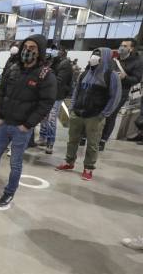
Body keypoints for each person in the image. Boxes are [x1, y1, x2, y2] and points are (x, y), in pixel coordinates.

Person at [0, 34, 56, 207]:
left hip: (22, 127)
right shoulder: (14, 68)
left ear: (40, 52)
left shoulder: (45, 75)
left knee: (15, 163)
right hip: (4, 123)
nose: (27, 51)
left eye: (32, 48)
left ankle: (9, 192)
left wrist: (27, 125)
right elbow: (1, 93)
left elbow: (45, 104)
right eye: (26, 47)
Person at [55, 48, 121, 180]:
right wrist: (71, 108)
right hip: (77, 113)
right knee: (72, 141)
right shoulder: (85, 74)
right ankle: (69, 162)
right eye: (94, 54)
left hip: (95, 116)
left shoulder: (111, 75)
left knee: (92, 144)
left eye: (98, 55)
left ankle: (88, 167)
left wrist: (103, 114)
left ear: (105, 57)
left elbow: (115, 97)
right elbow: (76, 92)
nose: (95, 57)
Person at [103, 38, 143, 147]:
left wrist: (124, 77)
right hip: (108, 91)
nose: (122, 47)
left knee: (111, 115)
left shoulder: (137, 62)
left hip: (122, 92)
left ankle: (103, 141)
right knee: (101, 114)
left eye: (125, 46)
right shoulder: (113, 60)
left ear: (131, 48)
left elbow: (137, 79)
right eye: (121, 45)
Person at [36, 44, 74, 154]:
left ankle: (50, 142)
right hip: (46, 94)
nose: (53, 51)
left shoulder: (65, 64)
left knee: (52, 119)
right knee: (43, 116)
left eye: (56, 49)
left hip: (57, 95)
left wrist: (45, 78)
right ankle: (43, 137)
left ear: (62, 51)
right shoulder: (51, 61)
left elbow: (59, 80)